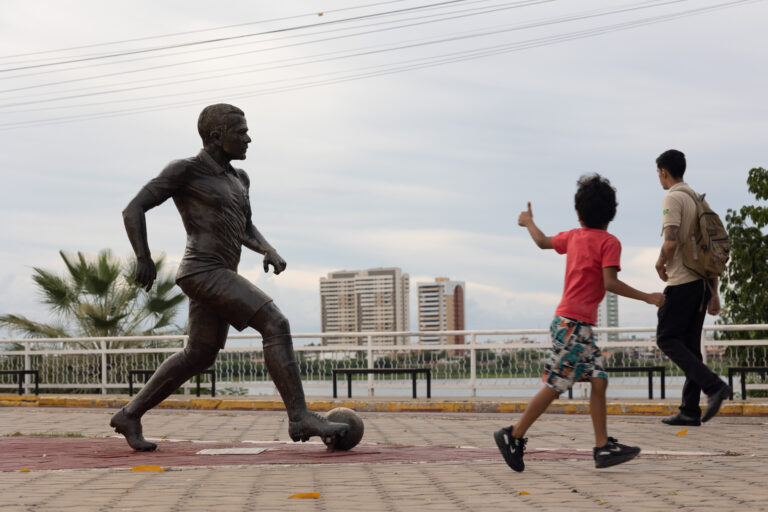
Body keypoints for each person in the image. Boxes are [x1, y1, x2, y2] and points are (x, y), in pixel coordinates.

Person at [111, 103, 348, 451]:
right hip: (202, 270)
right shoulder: (185, 170)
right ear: (217, 136)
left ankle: (130, 414)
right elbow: (134, 208)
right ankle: (299, 416)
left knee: (200, 354)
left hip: (220, 272)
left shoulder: (240, 179)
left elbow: (244, 225)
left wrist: (267, 249)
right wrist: (143, 257)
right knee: (275, 323)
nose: (248, 139)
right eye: (241, 132)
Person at [494, 174, 665, 472]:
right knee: (556, 384)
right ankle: (514, 434)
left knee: (599, 379)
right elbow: (610, 283)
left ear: (578, 212)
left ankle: (602, 448)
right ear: (612, 213)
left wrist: (528, 221)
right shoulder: (610, 242)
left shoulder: (573, 236)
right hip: (574, 325)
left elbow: (542, 241)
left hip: (570, 323)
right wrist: (647, 297)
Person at [654, 149, 731, 426]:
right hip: (701, 284)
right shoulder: (698, 199)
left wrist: (659, 262)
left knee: (666, 338)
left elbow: (671, 241)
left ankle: (714, 386)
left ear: (664, 171)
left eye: (659, 174)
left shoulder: (673, 197)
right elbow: (709, 248)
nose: (659, 179)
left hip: (683, 282)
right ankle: (689, 409)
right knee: (690, 346)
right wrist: (714, 291)